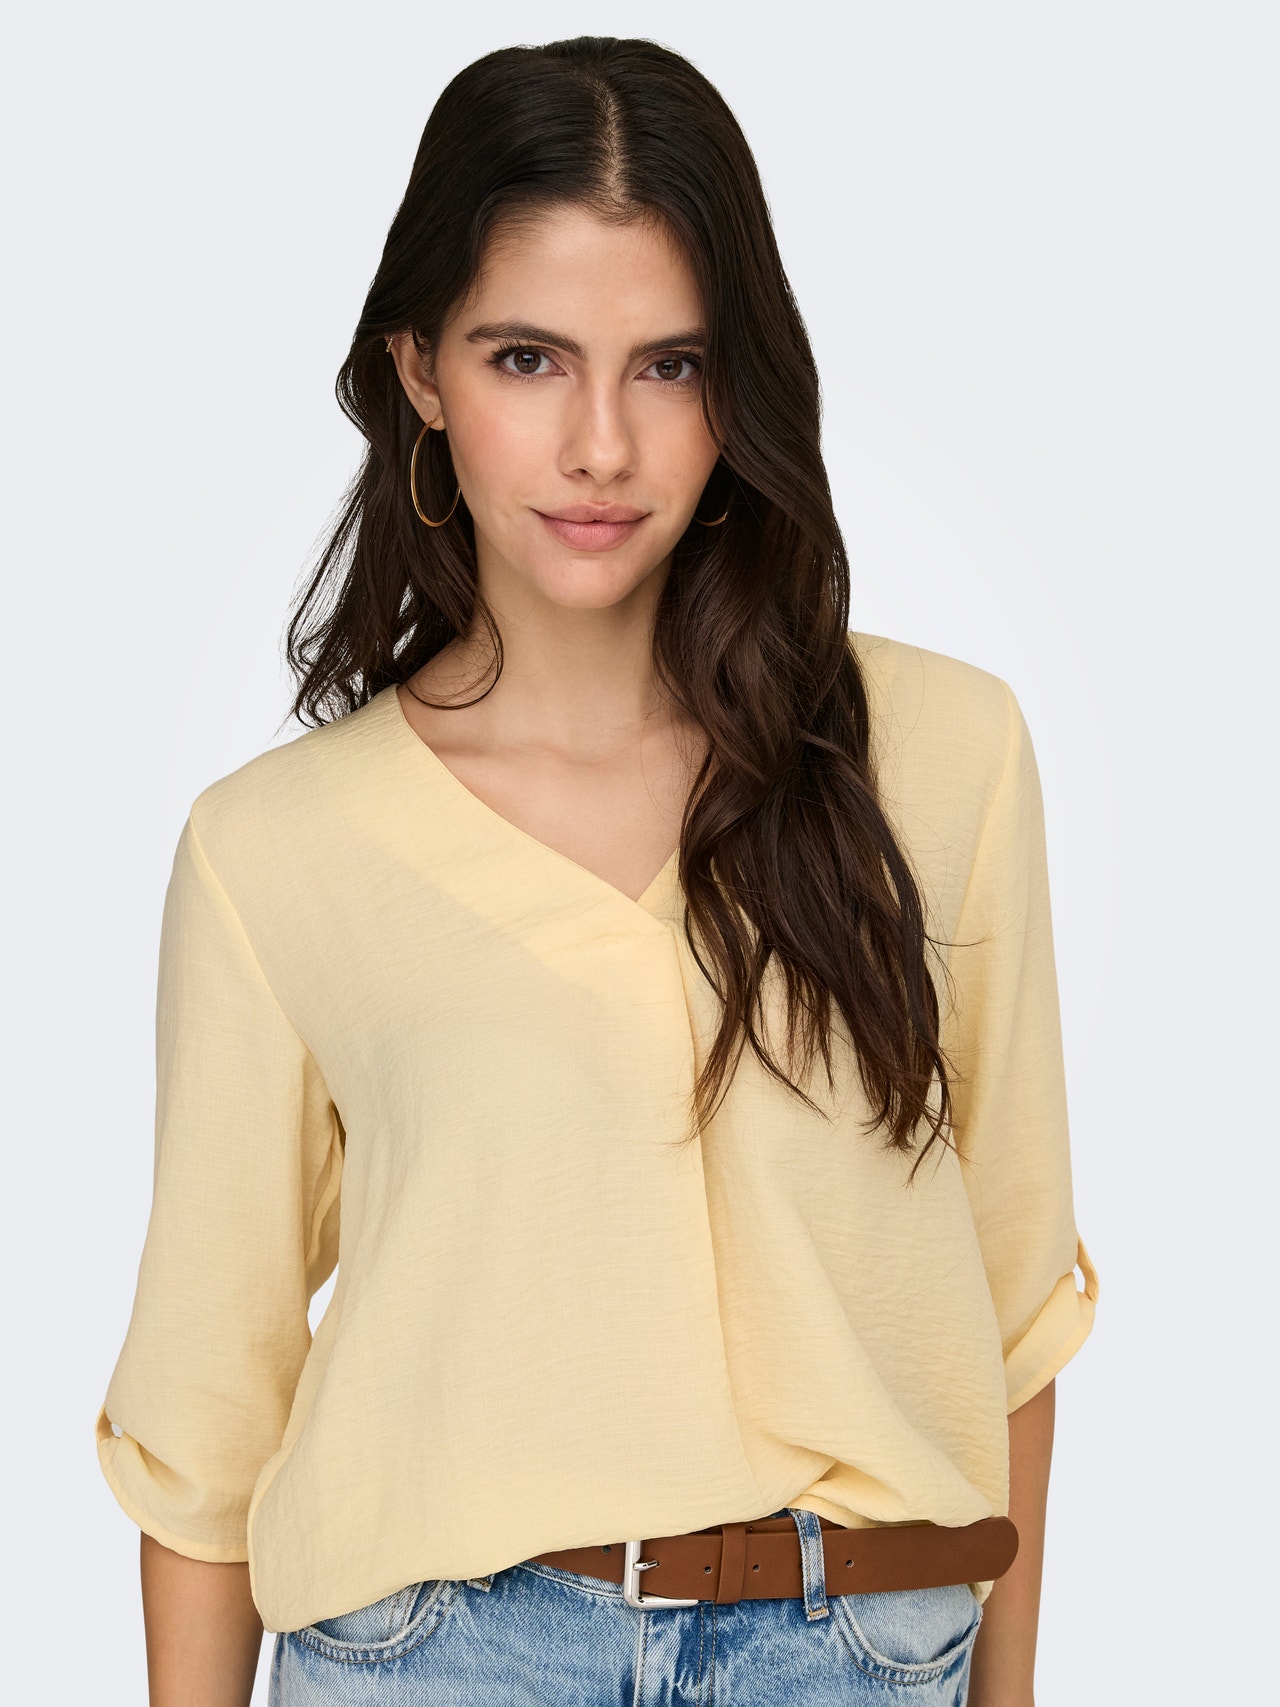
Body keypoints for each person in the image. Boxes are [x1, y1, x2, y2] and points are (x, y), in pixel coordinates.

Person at [94, 35, 1098, 1707]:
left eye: (671, 365)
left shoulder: (943, 756)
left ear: (740, 384)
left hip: (855, 1649)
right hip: (436, 1658)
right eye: (528, 359)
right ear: (421, 372)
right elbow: (205, 1425)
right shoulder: (275, 852)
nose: (602, 445)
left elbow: (1013, 1311)